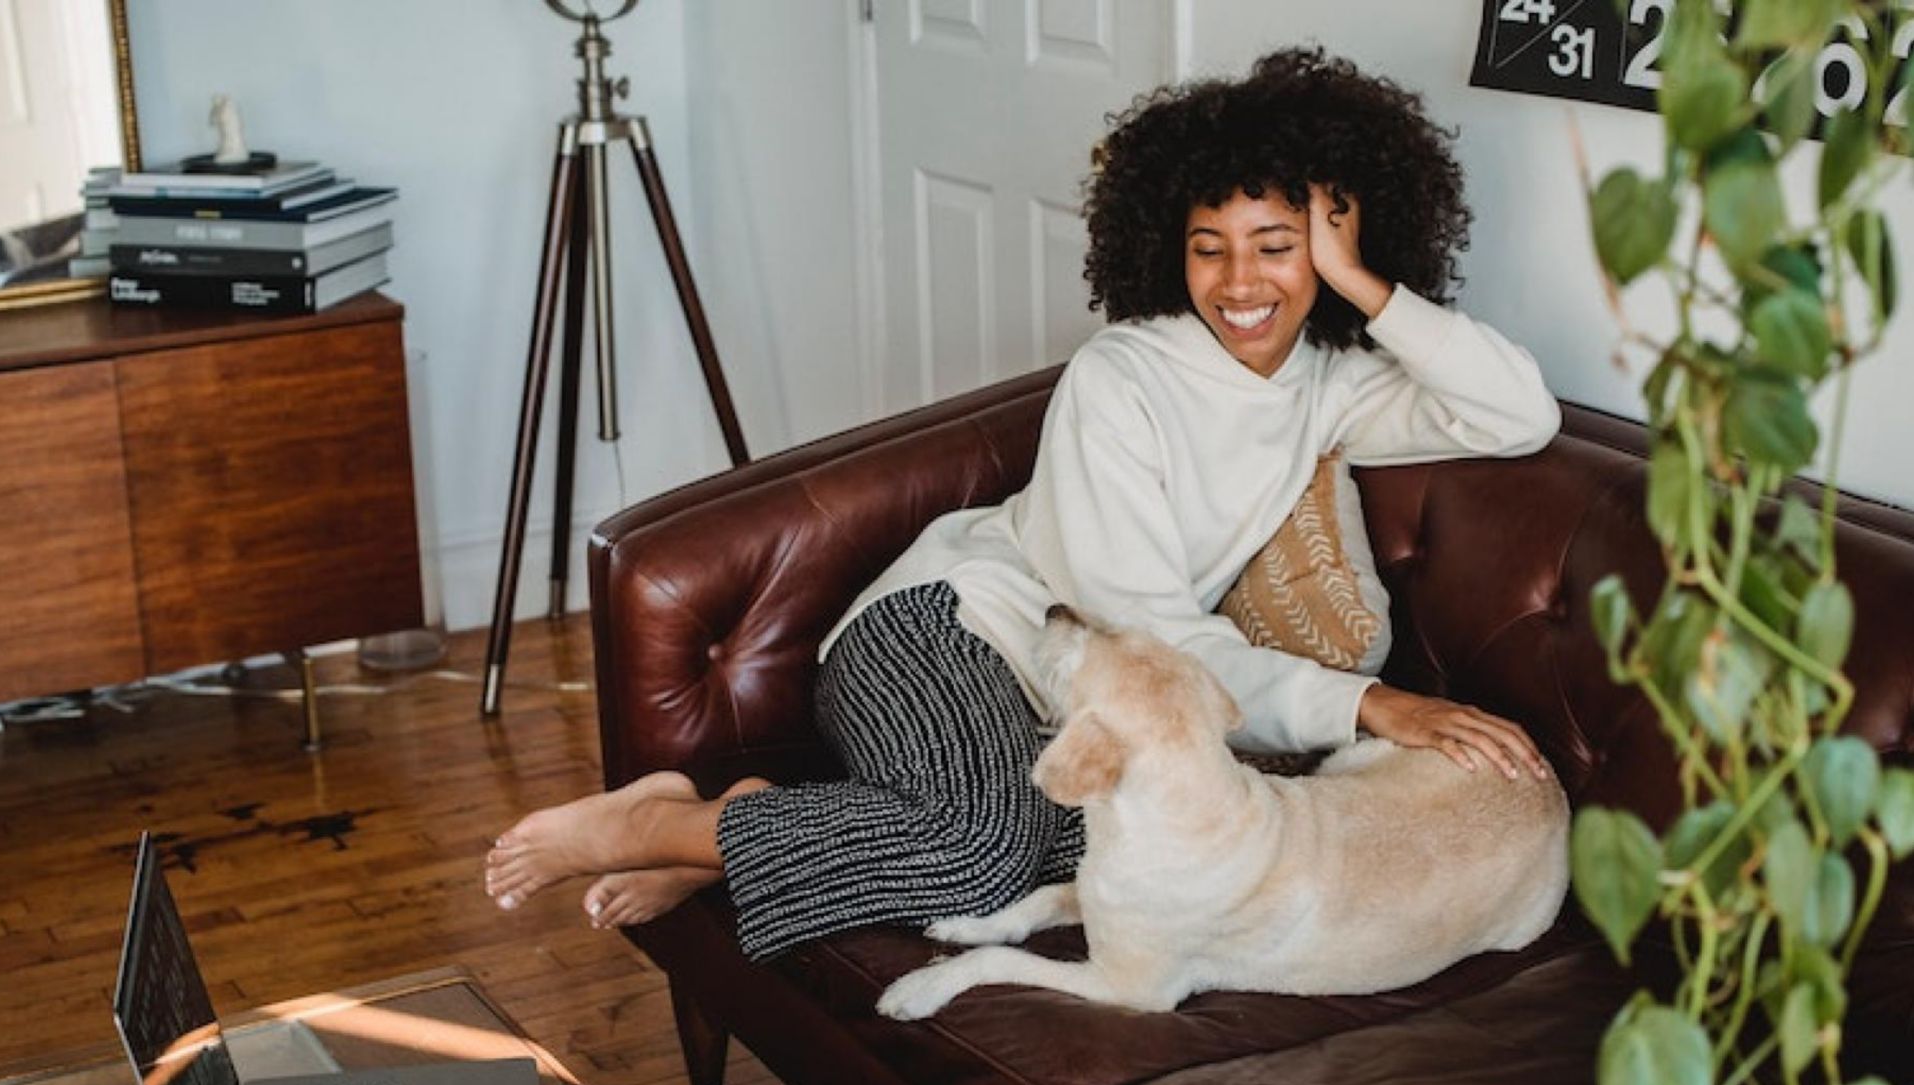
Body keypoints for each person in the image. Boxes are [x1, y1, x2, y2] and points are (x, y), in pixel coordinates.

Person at [484, 48, 1562, 961]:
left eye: (1276, 247)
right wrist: (1369, 706)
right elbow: (1153, 633)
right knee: (977, 850)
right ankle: (665, 822)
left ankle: (730, 828)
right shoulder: (1122, 376)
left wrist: (1362, 281)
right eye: (1208, 246)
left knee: (1132, 843)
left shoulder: (1331, 383)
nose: (1241, 282)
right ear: (1163, 244)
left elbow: (1515, 414)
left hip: (1079, 693)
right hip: (952, 630)